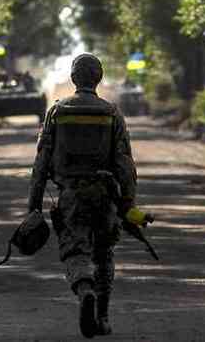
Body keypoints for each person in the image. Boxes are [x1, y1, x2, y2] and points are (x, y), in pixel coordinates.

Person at [28, 53, 138, 338]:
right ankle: (101, 316)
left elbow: (41, 162)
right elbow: (124, 163)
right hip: (105, 196)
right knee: (104, 254)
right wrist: (128, 204)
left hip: (71, 197)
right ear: (98, 78)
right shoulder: (111, 113)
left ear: (75, 78)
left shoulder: (57, 112)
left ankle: (85, 289)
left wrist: (34, 205)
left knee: (76, 251)